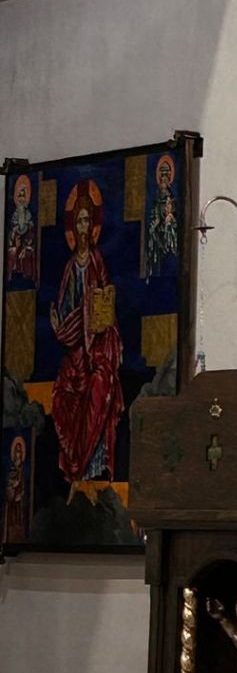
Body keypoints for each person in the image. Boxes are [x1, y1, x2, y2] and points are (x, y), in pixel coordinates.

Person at [49, 181, 123, 486]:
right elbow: (67, 307)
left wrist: (98, 316)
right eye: (79, 220)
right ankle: (74, 466)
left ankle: (93, 467)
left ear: (92, 225)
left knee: (100, 388)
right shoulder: (70, 266)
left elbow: (104, 299)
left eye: (87, 221)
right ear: (73, 226)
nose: (83, 226)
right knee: (63, 396)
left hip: (98, 345)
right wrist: (63, 324)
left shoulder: (96, 260)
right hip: (76, 348)